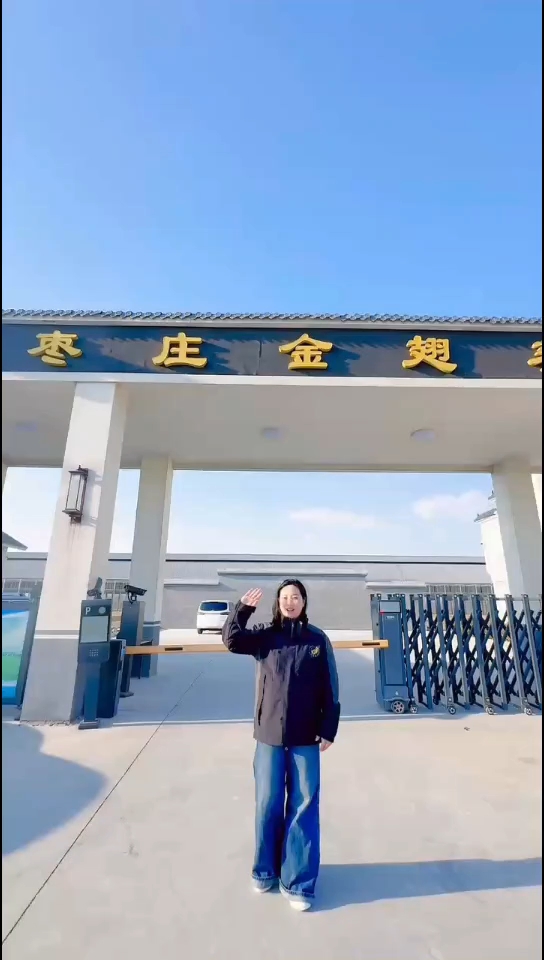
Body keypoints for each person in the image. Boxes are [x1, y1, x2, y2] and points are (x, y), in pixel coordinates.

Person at [222, 579, 340, 911]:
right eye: (285, 597)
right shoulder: (264, 635)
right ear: (278, 602)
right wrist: (242, 610)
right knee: (268, 803)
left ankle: (298, 883)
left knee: (304, 806)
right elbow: (232, 640)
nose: (290, 602)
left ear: (304, 602)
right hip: (269, 736)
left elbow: (330, 685)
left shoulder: (317, 640)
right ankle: (265, 871)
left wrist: (328, 728)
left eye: (296, 597)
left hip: (305, 736)